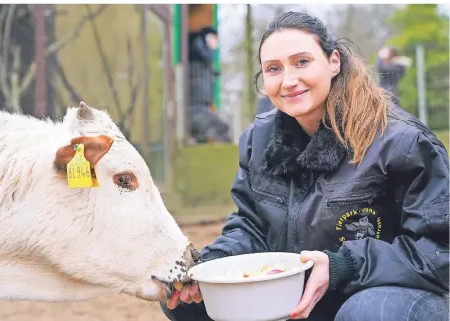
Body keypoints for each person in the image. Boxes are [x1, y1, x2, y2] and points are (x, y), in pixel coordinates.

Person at [160, 11, 449, 321]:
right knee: (190, 299)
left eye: (302, 62)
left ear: (333, 61)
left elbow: (439, 252)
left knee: (368, 313)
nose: (289, 81)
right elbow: (252, 227)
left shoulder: (401, 141)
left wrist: (344, 265)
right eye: (273, 69)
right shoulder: (259, 140)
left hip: (386, 295)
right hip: (296, 294)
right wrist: (212, 264)